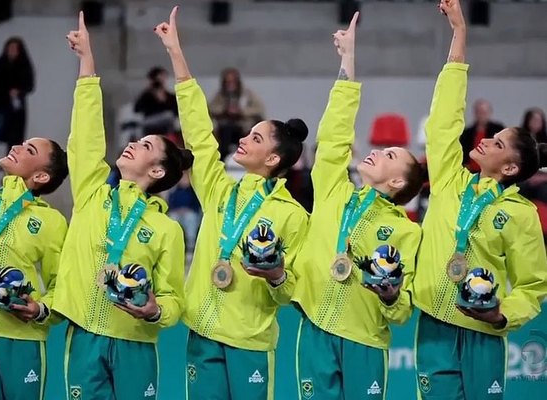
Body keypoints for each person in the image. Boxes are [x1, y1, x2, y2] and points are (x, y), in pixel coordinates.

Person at [154, 7, 309, 400]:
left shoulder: (293, 216)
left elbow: (291, 290)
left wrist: (274, 274)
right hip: (202, 335)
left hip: (251, 342)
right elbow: (199, 136)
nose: (243, 139)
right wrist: (176, 55)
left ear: (273, 160)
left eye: (256, 139)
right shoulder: (222, 192)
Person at [53, 12, 192, 400]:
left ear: (159, 169)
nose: (132, 144)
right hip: (83, 336)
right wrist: (87, 63)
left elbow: (173, 299)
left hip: (135, 344)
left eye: (146, 145)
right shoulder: (93, 194)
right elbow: (85, 135)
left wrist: (155, 311)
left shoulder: (167, 229)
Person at [414, 2, 547, 399]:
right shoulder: (450, 182)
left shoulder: (518, 215)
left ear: (509, 169)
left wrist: (501, 314)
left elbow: (533, 285)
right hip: (433, 325)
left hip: (483, 334)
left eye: (499, 143)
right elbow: (444, 121)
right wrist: (459, 35)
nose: (486, 139)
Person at [292, 13, 425, 400]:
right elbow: (333, 139)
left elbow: (401, 311)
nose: (375, 152)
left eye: (389, 154)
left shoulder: (407, 232)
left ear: (398, 182)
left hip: (366, 339)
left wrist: (389, 294)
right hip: (315, 329)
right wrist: (347, 65)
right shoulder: (335, 192)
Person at [0, 84, 68, 399]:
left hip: (21, 339)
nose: (17, 146)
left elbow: (63, 284)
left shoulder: (52, 221)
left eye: (29, 150)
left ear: (41, 177)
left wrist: (42, 309)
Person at [0, 37, 35, 171]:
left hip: (15, 111)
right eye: (10, 48)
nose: (12, 51)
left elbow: (29, 85)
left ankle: (10, 169)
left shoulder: (24, 66)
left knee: (14, 140)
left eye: (15, 49)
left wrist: (18, 91)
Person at [210, 67, 265, 161]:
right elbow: (212, 108)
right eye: (228, 82)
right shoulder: (220, 95)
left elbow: (259, 109)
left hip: (243, 127)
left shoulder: (247, 94)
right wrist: (225, 110)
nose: (230, 85)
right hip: (225, 128)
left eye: (233, 82)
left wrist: (241, 111)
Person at [459, 98, 504, 173]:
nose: (481, 115)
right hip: (470, 172)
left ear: (489, 113)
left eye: (484, 112)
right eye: (479, 112)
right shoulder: (467, 133)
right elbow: (462, 151)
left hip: (492, 171)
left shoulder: (498, 130)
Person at [134, 66, 179, 136]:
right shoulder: (146, 95)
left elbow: (176, 112)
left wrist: (162, 98)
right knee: (168, 116)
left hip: (165, 125)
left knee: (169, 117)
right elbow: (136, 109)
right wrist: (151, 91)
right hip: (149, 122)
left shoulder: (170, 96)